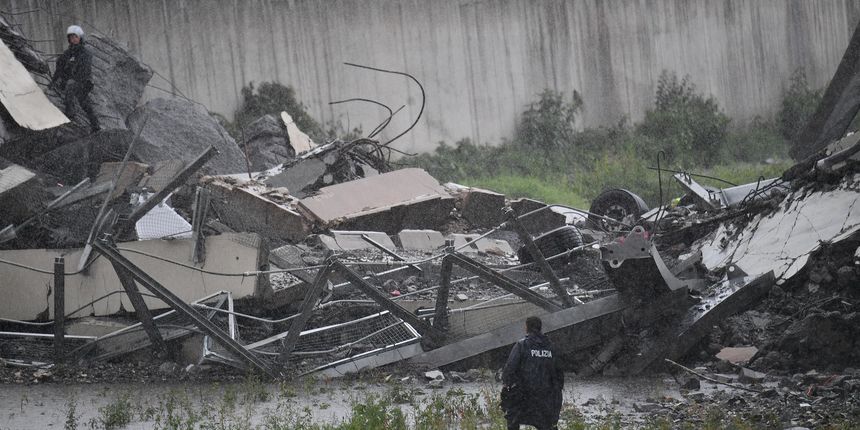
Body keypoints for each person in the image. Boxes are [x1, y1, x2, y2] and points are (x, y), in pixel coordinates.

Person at [501, 316, 564, 430]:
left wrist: (506, 385)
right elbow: (559, 373)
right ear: (540, 328)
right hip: (546, 398)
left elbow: (510, 368)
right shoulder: (551, 347)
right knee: (547, 425)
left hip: (524, 396)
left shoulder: (522, 345)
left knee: (513, 421)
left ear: (526, 327)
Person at [51, 25, 100, 132]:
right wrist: (54, 81)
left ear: (80, 38)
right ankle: (95, 125)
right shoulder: (68, 53)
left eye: (75, 37)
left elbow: (85, 71)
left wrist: (73, 80)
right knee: (84, 102)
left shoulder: (85, 53)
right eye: (71, 37)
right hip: (71, 81)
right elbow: (59, 67)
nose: (73, 39)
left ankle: (71, 115)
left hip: (84, 81)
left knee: (74, 92)